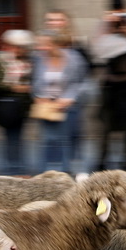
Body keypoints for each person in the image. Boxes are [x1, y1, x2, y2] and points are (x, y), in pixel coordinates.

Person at [31, 29, 88, 174]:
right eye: (40, 45)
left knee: (65, 141)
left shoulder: (74, 58)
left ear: (55, 44)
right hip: (47, 106)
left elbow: (82, 82)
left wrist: (69, 98)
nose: (42, 48)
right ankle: (45, 175)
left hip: (67, 106)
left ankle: (65, 174)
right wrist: (38, 95)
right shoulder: (38, 58)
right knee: (47, 141)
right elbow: (35, 81)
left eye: (45, 44)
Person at [92, 9, 126, 170]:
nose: (120, 26)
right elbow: (97, 49)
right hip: (111, 90)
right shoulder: (107, 40)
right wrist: (107, 23)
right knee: (106, 128)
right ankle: (102, 161)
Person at [0, 29, 34, 175]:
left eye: (22, 47)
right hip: (7, 105)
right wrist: (15, 87)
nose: (20, 49)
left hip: (23, 105)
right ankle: (12, 167)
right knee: (11, 136)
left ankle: (18, 166)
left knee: (18, 136)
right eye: (17, 46)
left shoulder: (29, 60)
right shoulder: (0, 60)